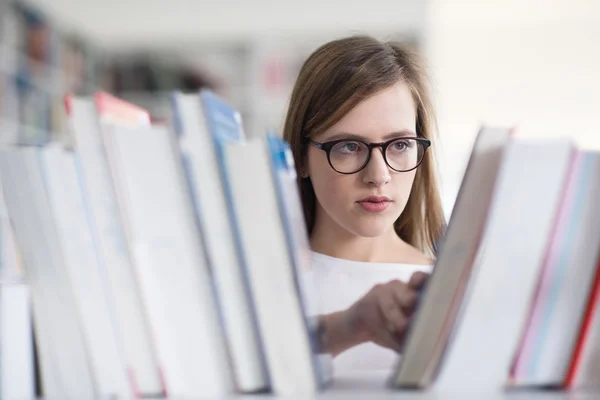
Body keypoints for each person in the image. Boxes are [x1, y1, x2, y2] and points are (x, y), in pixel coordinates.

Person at [282, 35, 446, 379]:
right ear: (300, 157)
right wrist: (345, 328)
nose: (379, 175)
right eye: (348, 146)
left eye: (400, 144)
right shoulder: (262, 289)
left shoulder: (449, 290)